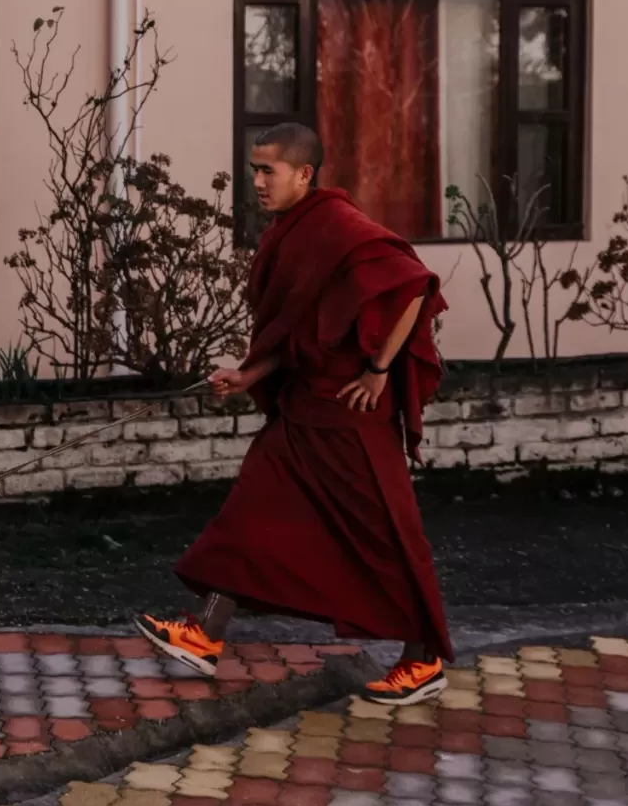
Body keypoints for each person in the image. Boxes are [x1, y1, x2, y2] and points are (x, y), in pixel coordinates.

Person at [136, 122, 453, 707]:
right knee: (254, 510)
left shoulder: (339, 226)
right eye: (254, 169)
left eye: (267, 171)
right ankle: (204, 633)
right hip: (306, 409)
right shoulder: (293, 230)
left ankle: (425, 658)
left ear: (304, 174)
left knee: (383, 533)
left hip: (350, 414)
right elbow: (302, 324)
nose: (256, 181)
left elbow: (414, 286)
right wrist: (251, 373)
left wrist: (379, 369)